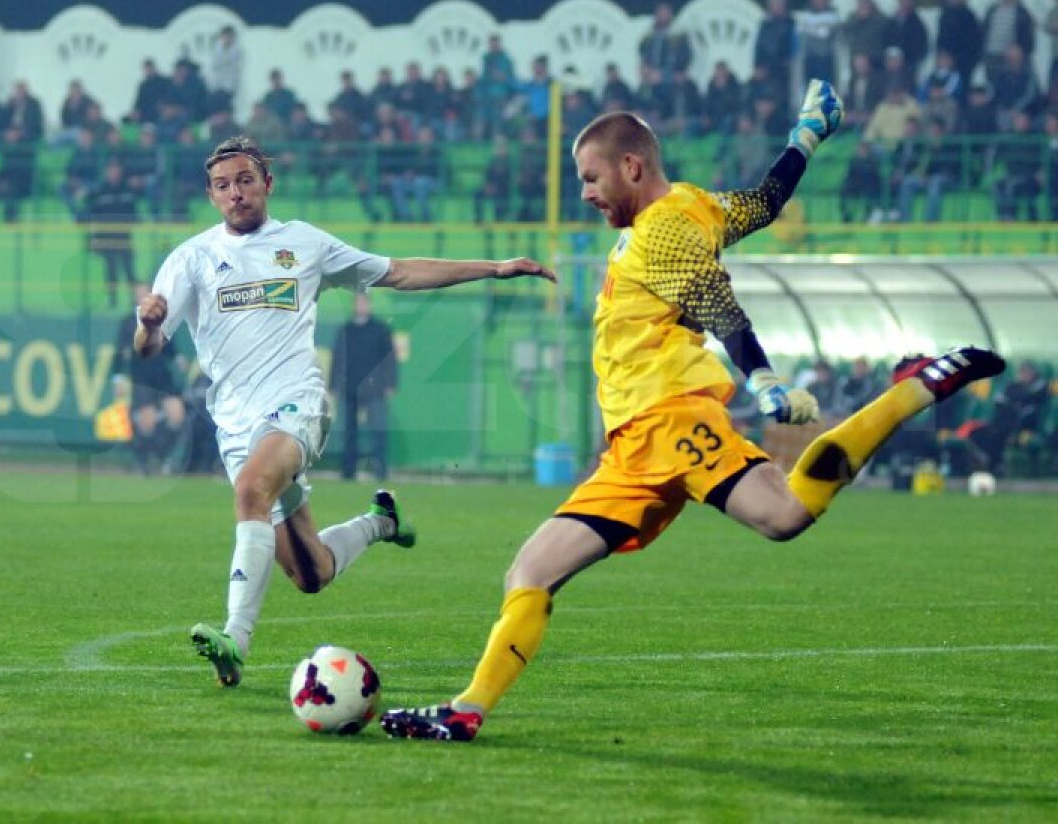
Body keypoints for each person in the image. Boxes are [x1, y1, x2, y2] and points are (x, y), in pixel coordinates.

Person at [379, 82, 1006, 742]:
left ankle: (916, 388)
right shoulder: (697, 206)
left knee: (785, 514)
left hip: (674, 422)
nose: (585, 193)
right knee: (530, 570)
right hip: (633, 448)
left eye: (591, 178)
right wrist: (807, 136)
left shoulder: (662, 229)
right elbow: (764, 203)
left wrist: (762, 377)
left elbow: (715, 300)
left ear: (632, 166)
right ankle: (466, 710)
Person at [133, 135, 555, 688]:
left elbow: (399, 271)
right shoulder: (190, 259)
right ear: (211, 196)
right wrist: (147, 323)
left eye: (244, 180)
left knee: (250, 493)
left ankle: (236, 637)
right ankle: (382, 522)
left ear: (267, 184)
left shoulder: (303, 244)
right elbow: (149, 347)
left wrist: (493, 268)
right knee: (310, 573)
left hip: (298, 405)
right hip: (234, 425)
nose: (235, 192)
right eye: (222, 185)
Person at [114, 284, 186, 474]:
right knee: (147, 421)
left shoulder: (161, 318)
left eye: (146, 292)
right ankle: (143, 459)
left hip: (163, 377)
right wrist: (118, 377)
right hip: (142, 378)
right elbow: (120, 352)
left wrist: (177, 358)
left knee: (177, 414)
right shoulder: (129, 322)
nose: (143, 296)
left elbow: (169, 345)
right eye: (139, 293)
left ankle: (164, 456)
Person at [330, 293, 397, 481]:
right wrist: (333, 385)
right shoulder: (346, 330)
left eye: (363, 302)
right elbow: (338, 359)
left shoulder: (381, 329)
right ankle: (348, 472)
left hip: (374, 389)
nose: (360, 306)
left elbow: (390, 359)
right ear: (354, 305)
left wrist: (390, 383)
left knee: (378, 429)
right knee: (349, 432)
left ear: (369, 305)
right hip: (349, 387)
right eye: (357, 302)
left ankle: (380, 471)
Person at [86, 158, 139, 306]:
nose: (114, 173)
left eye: (116, 169)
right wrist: (94, 238)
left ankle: (133, 301)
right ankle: (112, 300)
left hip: (124, 237)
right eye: (111, 169)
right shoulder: (99, 192)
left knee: (129, 270)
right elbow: (92, 216)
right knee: (110, 270)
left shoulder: (127, 191)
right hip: (106, 238)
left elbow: (134, 214)